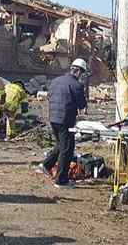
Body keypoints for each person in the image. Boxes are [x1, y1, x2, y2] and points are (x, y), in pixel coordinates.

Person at [38, 58, 88, 189]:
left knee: (61, 145)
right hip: (65, 120)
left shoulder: (56, 81)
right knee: (67, 149)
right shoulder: (76, 85)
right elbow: (82, 104)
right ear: (79, 72)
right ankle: (61, 180)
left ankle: (46, 165)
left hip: (53, 118)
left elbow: (50, 96)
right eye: (82, 74)